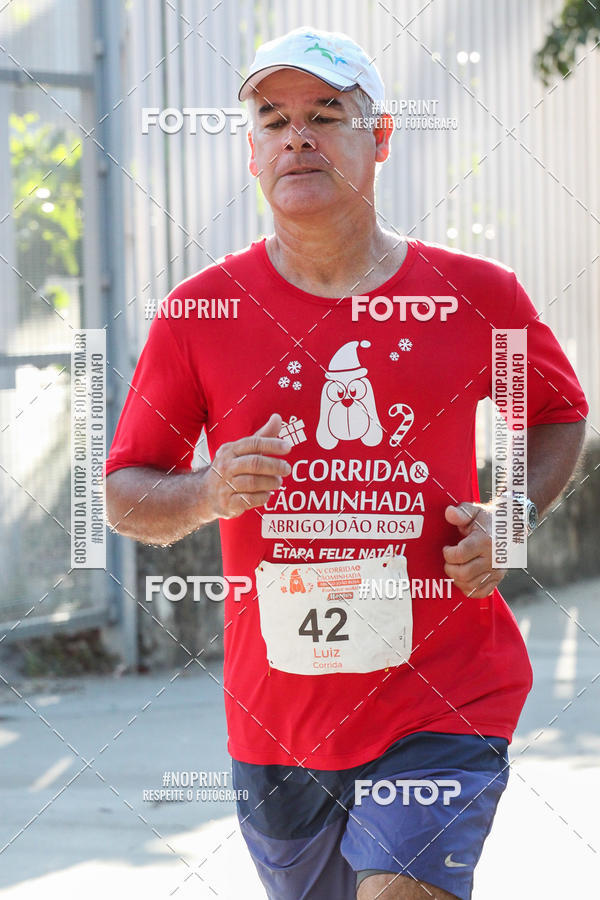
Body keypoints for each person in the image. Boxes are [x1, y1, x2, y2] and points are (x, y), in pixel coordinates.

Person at [105, 26, 588, 900]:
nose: (298, 137)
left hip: (446, 694)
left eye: (326, 115)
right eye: (273, 120)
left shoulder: (476, 297)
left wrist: (511, 515)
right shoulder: (198, 313)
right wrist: (210, 490)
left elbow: (554, 413)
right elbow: (124, 494)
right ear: (253, 154)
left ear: (381, 137)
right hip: (279, 720)